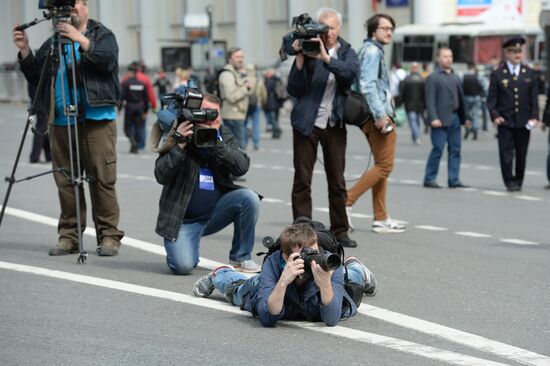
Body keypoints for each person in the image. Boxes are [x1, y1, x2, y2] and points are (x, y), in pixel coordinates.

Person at [13, 0, 124, 256]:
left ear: (85, 7)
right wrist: (25, 50)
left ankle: (108, 236)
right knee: (66, 181)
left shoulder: (102, 35)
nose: (70, 9)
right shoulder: (54, 43)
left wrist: (79, 39)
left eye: (75, 3)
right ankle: (69, 236)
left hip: (96, 119)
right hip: (61, 121)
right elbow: (36, 77)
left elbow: (107, 61)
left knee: (101, 179)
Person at [153, 93, 262, 275]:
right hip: (182, 222)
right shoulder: (180, 133)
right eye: (207, 114)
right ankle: (180, 248)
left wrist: (215, 142)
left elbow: (241, 166)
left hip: (213, 214)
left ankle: (241, 257)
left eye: (216, 114)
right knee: (184, 266)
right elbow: (161, 175)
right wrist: (179, 144)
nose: (213, 119)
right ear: (196, 114)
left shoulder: (223, 134)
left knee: (249, 198)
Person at [192, 223, 377, 327]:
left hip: (320, 292)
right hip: (277, 289)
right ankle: (221, 274)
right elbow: (267, 318)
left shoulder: (327, 262)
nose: (311, 258)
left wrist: (325, 285)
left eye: (314, 251)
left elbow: (331, 319)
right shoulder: (273, 264)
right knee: (242, 291)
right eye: (304, 255)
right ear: (285, 257)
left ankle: (356, 268)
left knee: (349, 279)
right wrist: (282, 282)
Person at [287, 7, 358, 247]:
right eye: (324, 28)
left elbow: (349, 74)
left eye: (333, 28)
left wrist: (327, 59)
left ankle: (340, 230)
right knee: (302, 178)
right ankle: (301, 230)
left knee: (337, 179)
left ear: (339, 28)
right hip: (307, 123)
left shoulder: (347, 51)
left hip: (334, 122)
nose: (328, 33)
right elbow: (294, 89)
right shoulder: (308, 49)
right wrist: (299, 61)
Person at [346, 14, 406, 234]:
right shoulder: (372, 51)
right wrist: (381, 116)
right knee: (385, 166)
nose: (389, 32)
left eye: (391, 28)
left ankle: (380, 218)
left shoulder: (372, 50)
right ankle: (347, 201)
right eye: (385, 28)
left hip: (374, 115)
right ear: (373, 31)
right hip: (377, 117)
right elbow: (368, 86)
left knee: (382, 166)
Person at [487, 37, 539, 192]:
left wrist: (534, 116)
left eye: (520, 51)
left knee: (522, 154)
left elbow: (533, 98)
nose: (518, 54)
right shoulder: (498, 74)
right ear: (507, 53)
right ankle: (509, 180)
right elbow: (491, 99)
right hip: (506, 120)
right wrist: (495, 115)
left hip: (524, 121)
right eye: (514, 51)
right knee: (506, 153)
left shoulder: (529, 73)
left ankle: (519, 180)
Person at [423, 48, 470, 189]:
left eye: (450, 56)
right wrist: (433, 118)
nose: (448, 59)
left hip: (455, 117)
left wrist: (465, 117)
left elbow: (461, 99)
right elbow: (429, 100)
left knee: (455, 150)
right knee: (437, 149)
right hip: (440, 119)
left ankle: (453, 179)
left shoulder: (455, 77)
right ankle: (429, 178)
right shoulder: (433, 77)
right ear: (438, 59)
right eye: (445, 56)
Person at [218, 47, 253, 149]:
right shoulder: (227, 74)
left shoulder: (235, 72)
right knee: (238, 150)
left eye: (242, 57)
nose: (240, 59)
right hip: (232, 116)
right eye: (237, 57)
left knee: (238, 149)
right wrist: (245, 88)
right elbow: (231, 97)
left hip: (238, 115)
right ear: (229, 59)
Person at [119, 63, 149, 153]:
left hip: (129, 107)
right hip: (140, 107)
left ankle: (133, 143)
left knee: (127, 128)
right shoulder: (141, 84)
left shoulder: (126, 83)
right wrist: (145, 111)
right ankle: (135, 145)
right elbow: (146, 99)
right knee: (139, 127)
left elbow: (121, 97)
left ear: (130, 72)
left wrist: (119, 108)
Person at [399, 62, 425, 145]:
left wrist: (399, 103)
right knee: (416, 120)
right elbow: (425, 93)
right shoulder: (422, 79)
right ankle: (415, 137)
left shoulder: (406, 79)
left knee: (413, 121)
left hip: (409, 104)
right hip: (419, 105)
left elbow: (401, 93)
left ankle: (416, 137)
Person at [243, 64, 267, 151]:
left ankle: (244, 143)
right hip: (257, 104)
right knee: (256, 124)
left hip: (246, 105)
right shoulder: (258, 80)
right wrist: (263, 102)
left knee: (245, 124)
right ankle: (256, 143)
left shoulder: (244, 80)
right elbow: (263, 93)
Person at [27, 82, 51, 163]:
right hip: (39, 98)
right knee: (42, 126)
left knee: (44, 126)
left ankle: (49, 154)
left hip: (39, 96)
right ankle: (34, 156)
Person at [462, 63, 485, 140]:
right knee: (475, 114)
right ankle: (475, 130)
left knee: (466, 115)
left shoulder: (463, 76)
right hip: (476, 97)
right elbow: (485, 87)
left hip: (466, 97)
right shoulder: (479, 76)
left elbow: (460, 87)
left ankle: (467, 128)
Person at [263, 69, 285, 138]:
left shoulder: (269, 81)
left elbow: (267, 89)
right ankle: (275, 134)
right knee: (275, 118)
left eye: (267, 73)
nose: (266, 74)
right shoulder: (278, 79)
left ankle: (277, 129)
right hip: (277, 102)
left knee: (272, 119)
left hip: (271, 102)